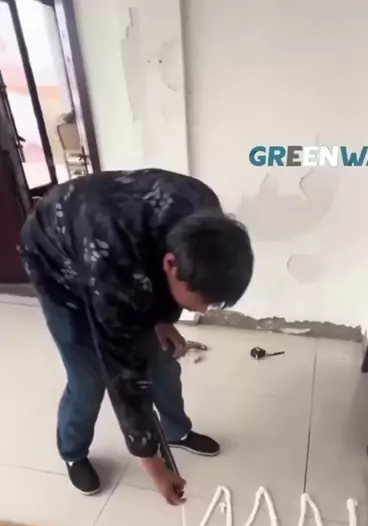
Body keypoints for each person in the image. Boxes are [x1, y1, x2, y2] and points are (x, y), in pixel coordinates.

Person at [19, 169, 254, 504]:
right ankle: (74, 452)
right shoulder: (115, 269)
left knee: (163, 361)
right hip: (55, 262)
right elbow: (124, 377)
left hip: (107, 246)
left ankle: (176, 431)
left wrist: (163, 320)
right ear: (171, 265)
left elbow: (154, 276)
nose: (204, 311)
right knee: (89, 377)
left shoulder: (205, 216)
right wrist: (154, 468)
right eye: (202, 301)